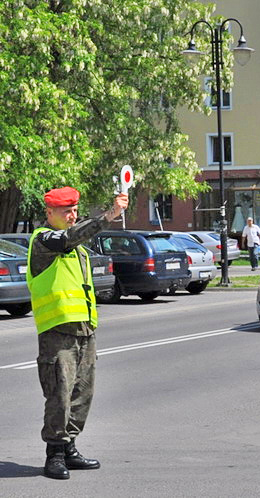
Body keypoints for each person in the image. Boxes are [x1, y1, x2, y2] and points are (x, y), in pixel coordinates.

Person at [27, 186, 128, 480]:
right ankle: (54, 454)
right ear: (49, 213)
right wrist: (109, 215)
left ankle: (70, 447)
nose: (71, 216)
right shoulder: (44, 240)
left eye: (73, 211)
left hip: (84, 331)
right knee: (59, 394)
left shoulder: (78, 251)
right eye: (65, 211)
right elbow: (68, 239)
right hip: (57, 332)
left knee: (82, 394)